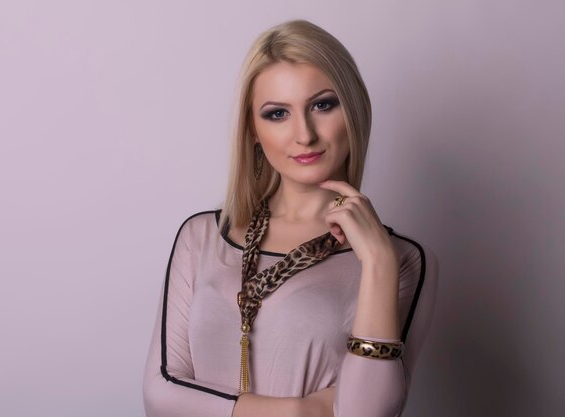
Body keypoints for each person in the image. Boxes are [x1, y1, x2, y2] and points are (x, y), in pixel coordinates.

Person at [142, 19, 438, 417]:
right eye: (277, 113)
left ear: (354, 109)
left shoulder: (402, 260)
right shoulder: (202, 237)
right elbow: (160, 396)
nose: (304, 134)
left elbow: (366, 414)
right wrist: (303, 410)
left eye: (322, 105)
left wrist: (378, 264)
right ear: (253, 130)